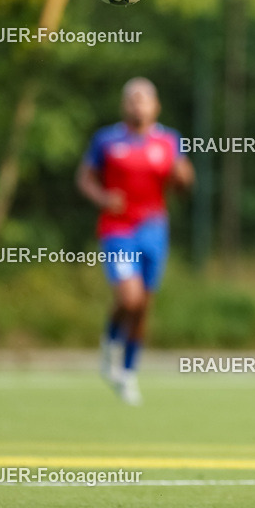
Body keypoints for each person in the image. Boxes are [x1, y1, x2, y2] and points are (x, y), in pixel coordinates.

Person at [76, 78, 194, 405]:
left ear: (155, 106)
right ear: (123, 105)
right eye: (131, 99)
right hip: (118, 228)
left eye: (143, 99)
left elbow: (182, 187)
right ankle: (110, 341)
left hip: (153, 228)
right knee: (129, 297)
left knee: (143, 307)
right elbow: (84, 178)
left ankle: (127, 373)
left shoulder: (169, 141)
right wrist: (101, 197)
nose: (137, 105)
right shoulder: (107, 139)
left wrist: (184, 178)